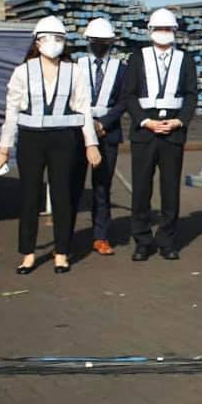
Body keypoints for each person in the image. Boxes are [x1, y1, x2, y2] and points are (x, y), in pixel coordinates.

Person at [0, 17, 101, 274]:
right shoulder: (23, 71)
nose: (53, 43)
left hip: (64, 140)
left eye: (59, 38)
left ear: (65, 41)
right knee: (29, 196)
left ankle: (61, 252)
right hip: (31, 140)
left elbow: (84, 108)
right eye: (48, 37)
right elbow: (11, 112)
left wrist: (91, 144)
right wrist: (4, 149)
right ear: (37, 41)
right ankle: (28, 253)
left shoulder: (74, 71)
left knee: (62, 195)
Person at [121, 7, 198, 261]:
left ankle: (167, 240)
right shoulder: (137, 58)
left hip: (173, 132)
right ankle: (142, 240)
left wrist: (179, 121)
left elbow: (191, 95)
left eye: (168, 29)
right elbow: (129, 95)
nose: (164, 33)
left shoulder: (185, 59)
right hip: (145, 131)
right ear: (150, 31)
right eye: (159, 29)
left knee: (170, 189)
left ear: (175, 31)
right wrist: (145, 121)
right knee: (141, 188)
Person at [71, 18, 128, 256]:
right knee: (72, 185)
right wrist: (88, 124)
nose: (100, 45)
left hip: (108, 132)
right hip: (78, 132)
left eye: (104, 42)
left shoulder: (120, 69)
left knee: (102, 186)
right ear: (88, 42)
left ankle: (101, 236)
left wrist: (104, 123)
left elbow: (124, 100)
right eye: (96, 41)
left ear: (111, 42)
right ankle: (66, 237)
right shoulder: (76, 67)